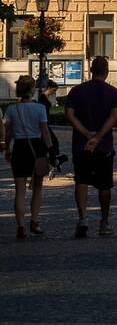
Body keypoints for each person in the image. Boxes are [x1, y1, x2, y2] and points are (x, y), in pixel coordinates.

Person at [64, 56, 117, 238]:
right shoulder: (113, 93)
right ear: (107, 72)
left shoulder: (76, 91)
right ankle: (104, 223)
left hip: (81, 145)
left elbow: (69, 115)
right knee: (105, 186)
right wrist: (98, 137)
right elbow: (113, 118)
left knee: (81, 181)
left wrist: (86, 134)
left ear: (90, 70)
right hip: (103, 146)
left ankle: (82, 218)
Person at [3, 75, 51, 238]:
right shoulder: (40, 109)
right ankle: (35, 221)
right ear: (32, 90)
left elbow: (8, 132)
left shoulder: (11, 109)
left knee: (20, 191)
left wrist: (7, 149)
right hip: (36, 148)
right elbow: (44, 131)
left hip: (19, 149)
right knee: (37, 188)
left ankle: (21, 226)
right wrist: (50, 150)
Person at [36, 78, 66, 176]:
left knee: (51, 143)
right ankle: (53, 162)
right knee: (52, 142)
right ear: (49, 88)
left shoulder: (45, 97)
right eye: (53, 90)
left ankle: (53, 162)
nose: (54, 92)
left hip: (46, 122)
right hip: (44, 123)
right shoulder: (42, 97)